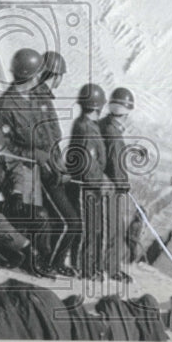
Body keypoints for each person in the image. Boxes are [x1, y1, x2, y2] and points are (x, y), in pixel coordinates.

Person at [0, 47, 54, 276]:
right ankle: (21, 259)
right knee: (27, 215)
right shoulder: (6, 106)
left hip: (37, 167)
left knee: (39, 215)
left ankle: (36, 259)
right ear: (30, 75)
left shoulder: (34, 98)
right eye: (37, 74)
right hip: (19, 169)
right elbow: (2, 148)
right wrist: (32, 154)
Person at [29, 50, 82, 277]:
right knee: (69, 222)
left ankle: (57, 261)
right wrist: (55, 169)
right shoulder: (38, 100)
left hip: (53, 170)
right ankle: (49, 262)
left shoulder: (43, 99)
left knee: (67, 220)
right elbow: (41, 142)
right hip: (45, 173)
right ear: (56, 75)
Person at [0, 121, 48, 276]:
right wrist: (25, 245)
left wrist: (16, 192)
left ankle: (41, 259)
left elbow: (15, 166)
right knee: (14, 256)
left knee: (40, 215)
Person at [67, 83, 110, 280]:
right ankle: (85, 269)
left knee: (95, 229)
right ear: (97, 106)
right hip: (87, 187)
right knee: (89, 230)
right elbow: (86, 161)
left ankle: (92, 267)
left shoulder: (89, 126)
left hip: (92, 186)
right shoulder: (85, 128)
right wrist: (99, 180)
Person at [99, 86, 136, 282]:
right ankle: (111, 268)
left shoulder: (102, 124)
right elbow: (115, 164)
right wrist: (124, 184)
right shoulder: (114, 135)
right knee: (115, 228)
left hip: (101, 184)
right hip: (109, 187)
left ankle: (106, 265)